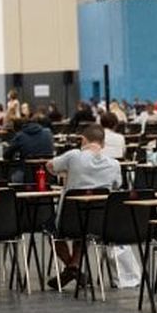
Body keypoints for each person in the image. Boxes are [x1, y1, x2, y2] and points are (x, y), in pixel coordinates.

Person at [46, 124, 122, 289]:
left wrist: (64, 173)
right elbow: (117, 186)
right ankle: (74, 267)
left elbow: (49, 166)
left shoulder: (74, 156)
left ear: (83, 140)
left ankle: (71, 268)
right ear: (102, 143)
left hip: (68, 220)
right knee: (85, 229)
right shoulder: (115, 164)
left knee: (51, 230)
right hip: (99, 222)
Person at [3, 117, 54, 182]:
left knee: (12, 178)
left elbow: (6, 155)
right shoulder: (48, 133)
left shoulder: (20, 136)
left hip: (27, 177)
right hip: (49, 175)